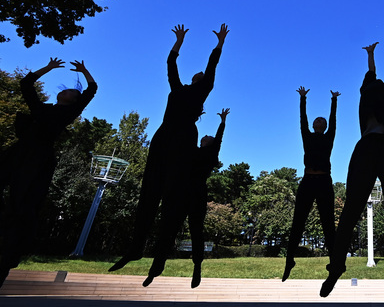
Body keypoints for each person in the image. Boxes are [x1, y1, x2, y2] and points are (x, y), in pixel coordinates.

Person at [110, 23, 229, 272]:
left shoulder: (203, 91)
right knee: (149, 190)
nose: (200, 75)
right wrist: (179, 42)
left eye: (203, 76)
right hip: (163, 135)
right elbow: (170, 65)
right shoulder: (177, 88)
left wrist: (220, 43)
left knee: (172, 195)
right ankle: (135, 248)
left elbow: (213, 65)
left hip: (184, 137)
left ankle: (160, 256)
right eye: (197, 74)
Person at [320, 22, 384, 307]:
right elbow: (377, 76)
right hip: (368, 148)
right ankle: (336, 267)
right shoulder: (372, 91)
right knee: (352, 209)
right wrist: (373, 54)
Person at [0, 58, 96, 286]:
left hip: (39, 158)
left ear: (73, 100)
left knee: (23, 203)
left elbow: (92, 90)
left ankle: (11, 250)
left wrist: (84, 71)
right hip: (19, 152)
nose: (68, 92)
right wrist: (48, 68)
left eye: (72, 92)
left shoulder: (68, 113)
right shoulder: (41, 109)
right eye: (67, 90)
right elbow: (26, 84)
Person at [143, 108, 229, 288]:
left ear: (212, 142)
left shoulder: (212, 153)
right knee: (168, 230)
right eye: (204, 135)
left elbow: (219, 138)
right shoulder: (191, 150)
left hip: (197, 193)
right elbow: (184, 134)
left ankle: (197, 267)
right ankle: (155, 269)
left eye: (209, 136)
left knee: (196, 230)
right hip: (181, 192)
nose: (205, 135)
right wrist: (193, 118)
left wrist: (222, 122)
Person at [282, 88, 339, 281]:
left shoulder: (329, 137)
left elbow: (334, 121)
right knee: (298, 221)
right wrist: (303, 99)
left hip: (323, 181)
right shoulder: (307, 136)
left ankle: (334, 262)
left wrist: (334, 101)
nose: (319, 122)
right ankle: (289, 259)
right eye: (317, 121)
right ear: (314, 125)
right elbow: (302, 120)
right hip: (307, 180)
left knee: (328, 224)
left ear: (324, 126)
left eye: (321, 122)